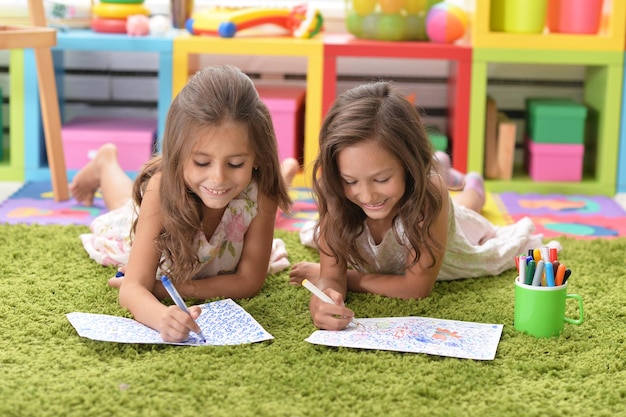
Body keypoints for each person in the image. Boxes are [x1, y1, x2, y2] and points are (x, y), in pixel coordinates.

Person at [289, 81, 544, 330]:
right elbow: (331, 278)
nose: (366, 195)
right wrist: (323, 297)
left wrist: (346, 276)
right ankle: (446, 170)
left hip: (440, 223)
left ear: (409, 166)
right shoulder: (335, 190)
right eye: (350, 180)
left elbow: (416, 289)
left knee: (467, 209)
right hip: (409, 206)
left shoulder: (428, 195)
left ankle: (472, 185)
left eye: (381, 179)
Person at [70, 65, 299, 342]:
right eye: (202, 162)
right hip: (152, 210)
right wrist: (160, 317)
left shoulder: (262, 191)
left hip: (247, 198)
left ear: (258, 157)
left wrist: (166, 289)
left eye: (236, 163)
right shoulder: (161, 189)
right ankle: (105, 163)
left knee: (271, 188)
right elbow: (131, 288)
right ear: (178, 155)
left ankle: (284, 171)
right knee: (123, 208)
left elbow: (249, 281)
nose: (218, 177)